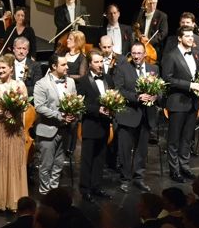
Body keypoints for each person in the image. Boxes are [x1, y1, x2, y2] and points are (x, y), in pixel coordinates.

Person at [0, 54, 29, 211]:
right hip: (0, 126)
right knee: (0, 160)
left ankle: (15, 200)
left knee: (15, 160)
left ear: (11, 69)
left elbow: (25, 104)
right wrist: (1, 112)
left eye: (3, 68)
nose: (0, 70)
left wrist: (17, 109)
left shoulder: (20, 85)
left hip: (16, 127)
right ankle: (0, 200)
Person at [162, 27, 199, 183]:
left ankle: (184, 166)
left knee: (187, 138)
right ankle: (174, 170)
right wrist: (189, 85)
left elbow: (197, 75)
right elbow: (168, 79)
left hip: (192, 102)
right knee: (174, 139)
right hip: (178, 102)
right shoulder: (171, 56)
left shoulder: (195, 54)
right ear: (179, 38)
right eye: (187, 36)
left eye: (191, 36)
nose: (190, 38)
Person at [115, 41, 159, 192]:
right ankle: (125, 179)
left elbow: (160, 89)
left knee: (142, 151)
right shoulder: (122, 68)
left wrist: (155, 97)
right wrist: (137, 97)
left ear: (145, 54)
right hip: (128, 115)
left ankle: (139, 178)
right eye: (133, 53)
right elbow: (119, 90)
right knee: (125, 150)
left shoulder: (154, 68)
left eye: (139, 53)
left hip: (146, 116)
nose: (136, 56)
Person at [33, 54, 77, 194]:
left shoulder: (70, 82)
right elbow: (39, 107)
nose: (67, 67)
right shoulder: (41, 83)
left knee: (58, 164)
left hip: (65, 130)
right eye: (63, 65)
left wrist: (73, 114)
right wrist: (60, 116)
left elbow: (75, 102)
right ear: (53, 66)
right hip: (48, 129)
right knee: (46, 165)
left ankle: (54, 191)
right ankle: (45, 193)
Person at [75, 49, 114, 203]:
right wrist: (97, 109)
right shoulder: (83, 81)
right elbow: (81, 104)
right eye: (96, 62)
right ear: (90, 64)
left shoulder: (108, 79)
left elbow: (114, 95)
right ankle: (85, 189)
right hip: (91, 125)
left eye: (101, 62)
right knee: (87, 159)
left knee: (100, 158)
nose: (100, 65)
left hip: (105, 125)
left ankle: (96, 186)